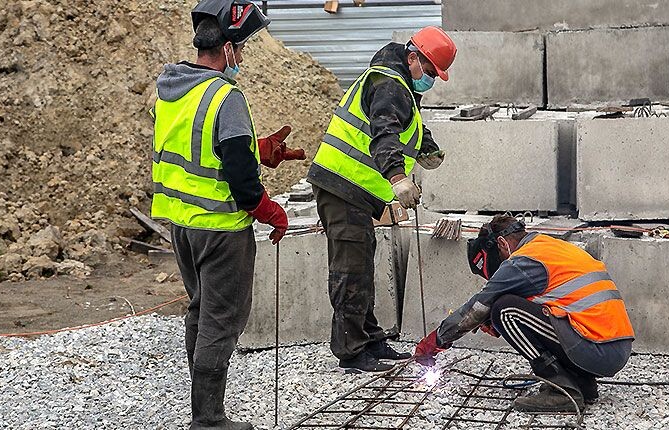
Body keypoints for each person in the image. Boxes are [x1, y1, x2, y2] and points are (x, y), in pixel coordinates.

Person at [151, 1, 304, 428]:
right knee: (222, 319)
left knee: (201, 312)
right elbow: (239, 175)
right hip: (221, 229)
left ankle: (203, 410)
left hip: (182, 224)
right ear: (230, 49)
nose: (244, 58)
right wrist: (270, 211)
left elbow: (198, 143)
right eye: (244, 49)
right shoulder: (226, 94)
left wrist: (257, 148)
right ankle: (209, 420)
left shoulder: (172, 87)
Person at [307, 26, 457, 372]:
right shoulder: (390, 84)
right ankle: (352, 350)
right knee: (350, 268)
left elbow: (407, 122)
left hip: (353, 190)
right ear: (413, 58)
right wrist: (398, 178)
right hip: (342, 185)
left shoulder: (398, 84)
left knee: (361, 263)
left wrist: (427, 147)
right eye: (431, 71)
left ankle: (370, 339)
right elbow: (384, 133)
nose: (431, 79)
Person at [414, 215, 635, 412]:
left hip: (598, 350)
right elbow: (553, 304)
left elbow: (477, 307)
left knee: (504, 309)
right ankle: (581, 382)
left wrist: (437, 340)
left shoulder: (523, 260)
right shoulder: (548, 247)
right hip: (612, 346)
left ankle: (561, 390)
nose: (500, 272)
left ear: (501, 243)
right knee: (501, 310)